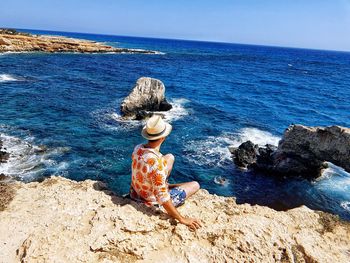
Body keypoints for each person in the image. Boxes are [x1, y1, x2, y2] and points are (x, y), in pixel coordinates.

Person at [129, 115, 202, 230]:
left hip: (136, 193)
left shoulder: (138, 148)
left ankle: (164, 185)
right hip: (151, 202)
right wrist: (182, 219)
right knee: (195, 185)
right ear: (163, 137)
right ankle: (164, 186)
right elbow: (163, 199)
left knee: (170, 157)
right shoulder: (157, 164)